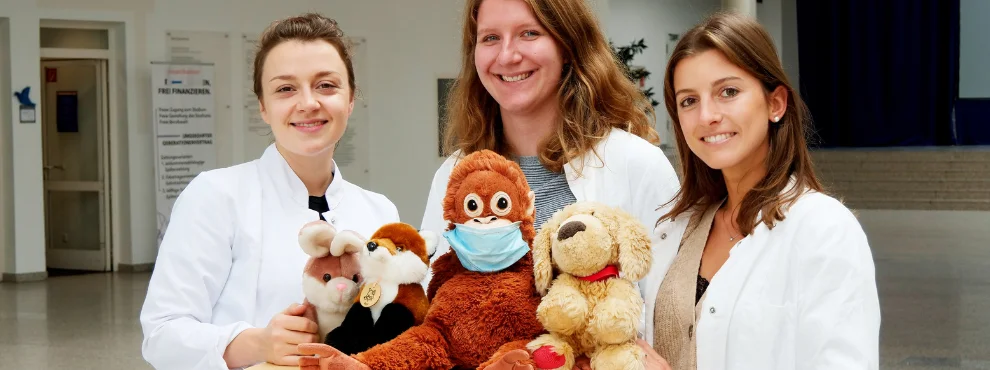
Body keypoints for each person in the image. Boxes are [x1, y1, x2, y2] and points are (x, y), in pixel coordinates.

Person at [140, 13, 399, 370]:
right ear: (263, 106)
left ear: (351, 98)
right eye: (285, 88)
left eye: (326, 85)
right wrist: (258, 344)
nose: (308, 103)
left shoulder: (380, 212)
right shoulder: (216, 197)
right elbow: (161, 336)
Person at [639, 12, 881, 369]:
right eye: (689, 100)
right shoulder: (676, 227)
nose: (707, 115)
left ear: (776, 104)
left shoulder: (825, 230)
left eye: (728, 92)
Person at [420, 0, 680, 313]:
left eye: (528, 33)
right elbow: (430, 305)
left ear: (568, 45)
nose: (507, 55)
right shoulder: (455, 173)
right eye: (490, 38)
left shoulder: (638, 165)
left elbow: (667, 317)